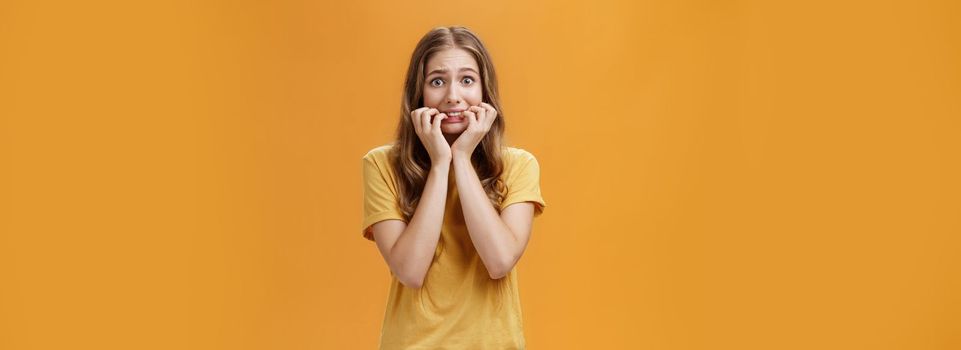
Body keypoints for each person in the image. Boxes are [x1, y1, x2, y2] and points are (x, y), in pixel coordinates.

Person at [360, 25, 547, 349]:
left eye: (467, 80)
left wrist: (461, 156)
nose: (452, 96)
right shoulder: (381, 165)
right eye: (437, 81)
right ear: (418, 93)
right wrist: (439, 163)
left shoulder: (519, 165)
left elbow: (499, 260)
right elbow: (410, 271)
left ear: (484, 90)